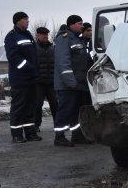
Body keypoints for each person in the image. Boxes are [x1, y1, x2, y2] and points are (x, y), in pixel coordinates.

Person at [53, 15, 92, 146]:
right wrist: (70, 82)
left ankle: (77, 135)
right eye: (79, 24)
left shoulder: (78, 39)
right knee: (65, 110)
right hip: (68, 85)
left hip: (78, 83)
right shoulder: (64, 38)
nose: (82, 26)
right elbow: (63, 62)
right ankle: (59, 137)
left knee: (76, 111)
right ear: (71, 25)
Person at [4, 12, 42, 143]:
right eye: (25, 19)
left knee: (31, 107)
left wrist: (35, 70)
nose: (28, 21)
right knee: (18, 107)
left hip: (31, 78)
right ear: (17, 21)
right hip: (20, 79)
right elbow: (14, 57)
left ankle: (30, 133)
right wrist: (29, 67)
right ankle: (16, 135)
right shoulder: (11, 37)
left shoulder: (28, 35)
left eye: (28, 19)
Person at [34, 26, 58, 131]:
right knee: (38, 104)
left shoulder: (53, 48)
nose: (45, 36)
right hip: (39, 82)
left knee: (55, 104)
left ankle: (58, 124)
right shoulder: (34, 48)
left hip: (51, 82)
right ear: (37, 35)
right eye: (43, 34)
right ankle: (36, 125)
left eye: (46, 34)